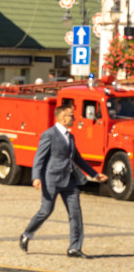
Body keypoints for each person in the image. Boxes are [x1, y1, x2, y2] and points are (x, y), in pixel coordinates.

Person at [19, 105, 107, 258]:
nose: (74, 118)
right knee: (45, 211)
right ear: (62, 118)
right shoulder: (49, 134)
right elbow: (39, 157)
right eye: (71, 116)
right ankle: (27, 234)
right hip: (51, 179)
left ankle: (74, 248)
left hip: (70, 181)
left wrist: (95, 174)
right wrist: (36, 177)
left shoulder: (70, 136)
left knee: (76, 214)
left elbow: (77, 158)